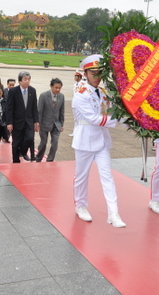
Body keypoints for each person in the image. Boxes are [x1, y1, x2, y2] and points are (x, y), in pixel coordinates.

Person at [72, 54, 126, 228]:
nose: (97, 77)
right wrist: (116, 121)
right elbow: (94, 119)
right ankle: (80, 205)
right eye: (93, 73)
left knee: (107, 176)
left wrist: (134, 122)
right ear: (86, 73)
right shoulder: (81, 94)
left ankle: (113, 213)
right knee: (82, 177)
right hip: (85, 141)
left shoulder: (102, 93)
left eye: (100, 73)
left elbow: (111, 113)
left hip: (102, 141)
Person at [6, 71, 39, 163]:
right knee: (16, 142)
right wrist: (9, 123)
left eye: (29, 79)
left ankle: (23, 152)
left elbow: (34, 108)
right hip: (17, 122)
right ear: (20, 81)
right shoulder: (13, 91)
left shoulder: (32, 90)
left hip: (29, 121)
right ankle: (15, 160)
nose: (27, 81)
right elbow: (9, 108)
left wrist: (36, 121)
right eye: (25, 79)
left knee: (30, 138)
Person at [36, 78, 65, 162]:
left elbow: (61, 111)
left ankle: (50, 159)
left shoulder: (61, 96)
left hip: (56, 124)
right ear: (51, 87)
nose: (58, 89)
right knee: (43, 143)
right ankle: (38, 158)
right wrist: (38, 124)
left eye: (59, 88)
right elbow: (39, 111)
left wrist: (61, 124)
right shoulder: (43, 96)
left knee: (55, 143)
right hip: (44, 123)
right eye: (56, 87)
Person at [69, 70, 84, 137]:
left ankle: (80, 132)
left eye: (76, 76)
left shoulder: (83, 84)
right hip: (74, 103)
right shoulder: (75, 84)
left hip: (80, 104)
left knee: (80, 119)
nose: (74, 77)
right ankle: (75, 132)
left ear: (79, 77)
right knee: (75, 119)